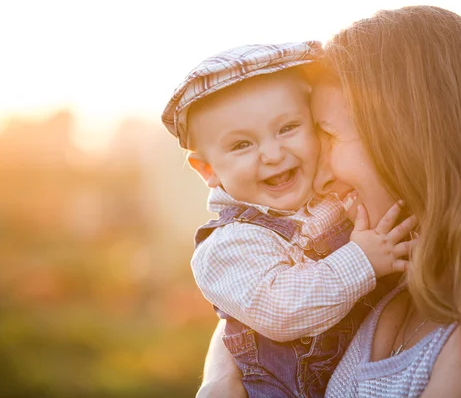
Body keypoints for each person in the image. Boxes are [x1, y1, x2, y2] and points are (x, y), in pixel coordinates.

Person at [197, 6, 461, 397]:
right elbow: (263, 299)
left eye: (327, 135)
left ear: (411, 147)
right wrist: (221, 372)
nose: (315, 170)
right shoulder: (389, 277)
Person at [161, 42, 417, 398]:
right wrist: (361, 260)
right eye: (241, 145)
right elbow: (281, 312)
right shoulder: (229, 245)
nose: (273, 153)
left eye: (288, 128)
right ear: (207, 169)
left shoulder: (329, 195)